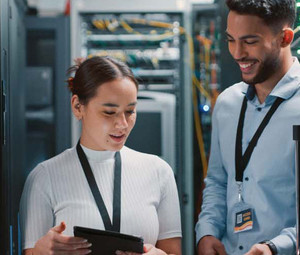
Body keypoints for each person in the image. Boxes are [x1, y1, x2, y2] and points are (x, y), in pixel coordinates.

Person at [20, 56, 182, 255]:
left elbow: (174, 252)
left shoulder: (159, 172)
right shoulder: (45, 177)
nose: (122, 124)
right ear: (78, 107)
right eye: (109, 112)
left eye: (130, 111)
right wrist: (39, 252)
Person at [195, 0, 300, 254]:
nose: (237, 53)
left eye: (250, 42)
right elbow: (218, 182)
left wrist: (275, 247)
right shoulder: (227, 103)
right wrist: (206, 231)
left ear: (285, 38)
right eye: (231, 39)